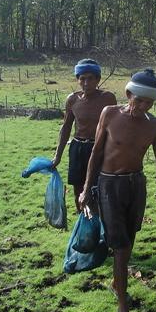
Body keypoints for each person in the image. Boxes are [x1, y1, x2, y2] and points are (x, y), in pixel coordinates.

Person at [79, 68, 156, 312]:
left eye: (149, 103)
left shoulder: (154, 126)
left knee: (128, 241)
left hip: (136, 186)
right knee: (121, 247)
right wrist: (85, 190)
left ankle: (117, 280)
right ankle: (123, 310)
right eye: (138, 100)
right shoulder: (110, 114)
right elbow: (96, 152)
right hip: (108, 185)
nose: (142, 107)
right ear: (128, 94)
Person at [52, 59, 117, 213]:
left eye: (90, 78)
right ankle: (83, 220)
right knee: (78, 189)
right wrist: (57, 156)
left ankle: (101, 222)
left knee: (100, 187)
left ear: (98, 80)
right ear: (78, 80)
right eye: (82, 78)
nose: (86, 83)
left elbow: (115, 126)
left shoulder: (107, 98)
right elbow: (66, 127)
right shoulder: (72, 99)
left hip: (100, 148)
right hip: (78, 148)